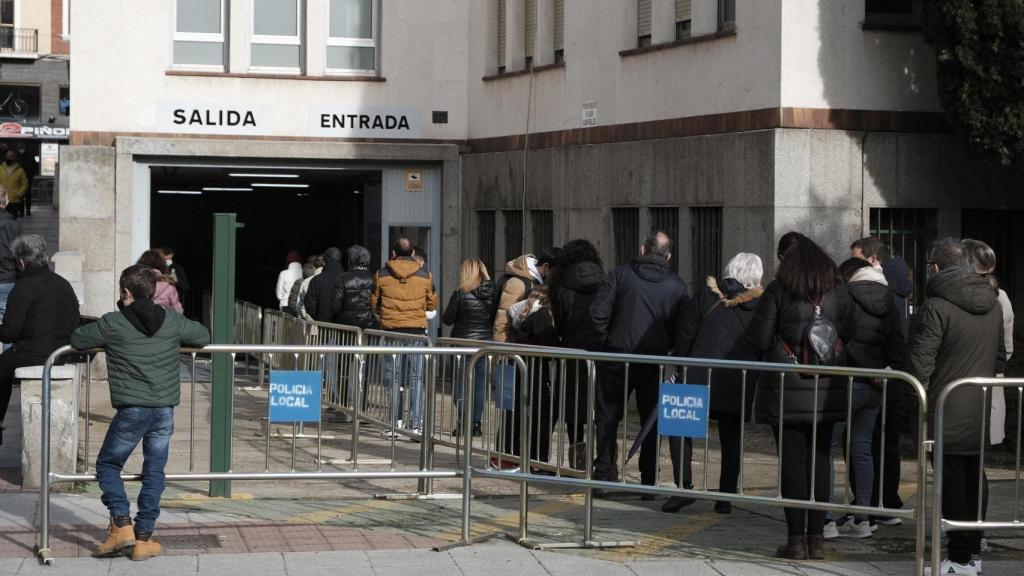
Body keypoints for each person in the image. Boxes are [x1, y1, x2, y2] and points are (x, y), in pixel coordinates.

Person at [71, 264, 210, 561]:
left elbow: (79, 339)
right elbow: (201, 335)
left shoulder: (113, 322)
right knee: (154, 472)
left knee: (108, 465)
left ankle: (122, 525)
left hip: (131, 410)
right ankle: (144, 537)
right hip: (163, 410)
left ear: (125, 292)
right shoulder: (172, 321)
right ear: (153, 291)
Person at [746, 234, 854, 560]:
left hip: (787, 388)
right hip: (827, 389)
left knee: (792, 464)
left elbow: (760, 337)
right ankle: (817, 539)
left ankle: (795, 541)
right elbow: (849, 332)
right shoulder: (836, 290)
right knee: (821, 461)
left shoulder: (779, 291)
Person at [910, 238, 1004, 576]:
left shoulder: (936, 306)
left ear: (935, 268)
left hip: (945, 406)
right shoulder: (993, 302)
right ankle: (973, 553)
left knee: (950, 484)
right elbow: (1000, 356)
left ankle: (960, 557)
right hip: (979, 402)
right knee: (974, 480)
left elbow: (921, 363)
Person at [663, 252, 764, 515]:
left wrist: (680, 364)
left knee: (680, 427)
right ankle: (725, 496)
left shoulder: (707, 295)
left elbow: (686, 332)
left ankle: (683, 486)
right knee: (732, 437)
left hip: (698, 372)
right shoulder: (760, 305)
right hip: (737, 377)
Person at [591, 231, 688, 494]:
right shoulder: (677, 286)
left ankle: (603, 475)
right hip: (653, 360)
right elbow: (683, 328)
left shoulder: (620, 275)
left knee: (608, 416)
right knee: (650, 419)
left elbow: (597, 314)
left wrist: (608, 343)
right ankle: (648, 480)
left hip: (616, 356)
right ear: (668, 256)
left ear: (643, 250)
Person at [823, 256, 906, 539]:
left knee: (828, 447)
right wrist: (884, 374)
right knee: (862, 449)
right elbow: (898, 347)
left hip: (846, 382)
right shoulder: (891, 303)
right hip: (877, 386)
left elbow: (839, 340)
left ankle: (825, 519)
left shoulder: (845, 297)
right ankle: (863, 518)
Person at [850, 236, 911, 526]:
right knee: (886, 442)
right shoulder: (898, 287)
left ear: (873, 260)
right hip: (891, 373)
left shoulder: (866, 291)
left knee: (864, 442)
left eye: (858, 260)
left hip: (872, 375)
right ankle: (886, 502)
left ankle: (868, 505)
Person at [962, 238, 1013, 570]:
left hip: (962, 390)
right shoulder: (1001, 297)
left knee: (960, 467)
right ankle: (972, 533)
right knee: (972, 467)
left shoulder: (962, 296)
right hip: (985, 389)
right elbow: (1006, 351)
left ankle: (964, 534)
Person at [0, 235, 79, 445]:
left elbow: (9, 333)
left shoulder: (24, 287)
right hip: (62, 352)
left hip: (33, 353)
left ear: (22, 262)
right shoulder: (62, 284)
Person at [547, 239, 605, 470]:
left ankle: (578, 457)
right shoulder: (604, 278)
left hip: (571, 349)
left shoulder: (561, 281)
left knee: (572, 404)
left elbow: (559, 319)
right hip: (600, 350)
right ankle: (604, 458)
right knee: (601, 404)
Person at [372, 238, 437, 436]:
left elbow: (375, 304)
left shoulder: (381, 274)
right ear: (412, 253)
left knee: (393, 379)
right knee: (417, 379)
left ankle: (396, 424)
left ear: (393, 253)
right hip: (417, 333)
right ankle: (416, 424)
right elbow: (432, 304)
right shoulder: (426, 275)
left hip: (391, 332)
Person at [442, 258, 495, 437]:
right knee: (479, 385)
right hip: (483, 344)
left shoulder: (460, 292)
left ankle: (464, 421)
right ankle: (476, 424)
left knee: (459, 383)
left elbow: (447, 318)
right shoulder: (492, 292)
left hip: (461, 343)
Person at [492, 251, 558, 342]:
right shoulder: (518, 283)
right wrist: (501, 351)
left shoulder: (537, 281)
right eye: (555, 272)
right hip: (512, 346)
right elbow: (502, 322)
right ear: (546, 267)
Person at [330, 245, 377, 329]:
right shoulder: (374, 278)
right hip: (370, 325)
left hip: (347, 326)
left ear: (351, 259)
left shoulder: (342, 278)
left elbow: (335, 307)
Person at [305, 247, 345, 323]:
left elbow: (310, 307)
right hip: (344, 329)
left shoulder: (316, 280)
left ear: (325, 260)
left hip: (323, 327)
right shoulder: (347, 279)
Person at [0, 188, 21, 326]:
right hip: (7, 278)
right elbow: (19, 256)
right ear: (6, 200)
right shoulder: (13, 225)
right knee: (9, 324)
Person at [0, 150, 28, 220]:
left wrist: (18, 194)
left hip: (14, 200)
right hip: (2, 200)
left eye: (11, 156)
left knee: (12, 220)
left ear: (15, 158)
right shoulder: (0, 168)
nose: (9, 158)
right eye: (7, 156)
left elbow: (25, 184)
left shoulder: (20, 170)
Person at [160, 247, 190, 311]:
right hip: (161, 303)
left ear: (172, 255)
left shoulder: (178, 268)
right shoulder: (159, 267)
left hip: (175, 303)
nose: (165, 257)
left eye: (167, 254)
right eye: (163, 255)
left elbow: (186, 286)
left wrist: (176, 281)